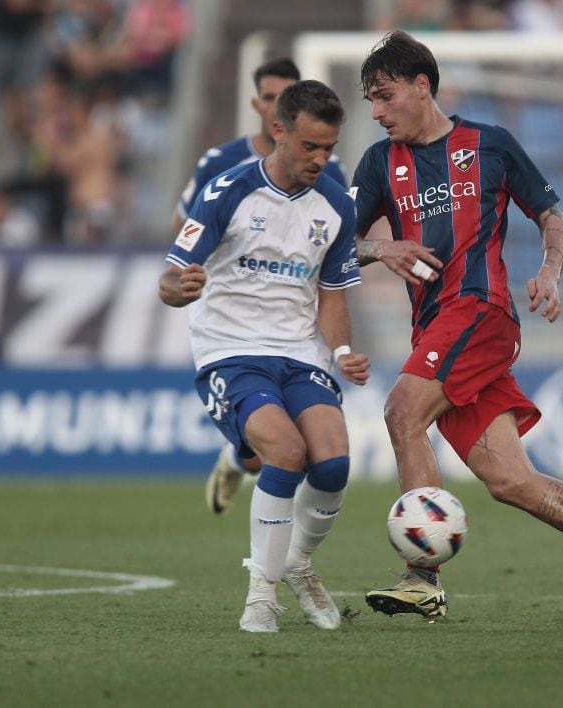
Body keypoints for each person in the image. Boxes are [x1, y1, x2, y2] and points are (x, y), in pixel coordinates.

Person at [351, 30, 563, 630]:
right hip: (435, 327)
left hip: (481, 313)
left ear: (421, 85)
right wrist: (381, 248)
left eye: (384, 96)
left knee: (403, 412)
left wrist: (550, 270)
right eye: (370, 102)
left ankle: (421, 581)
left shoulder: (489, 145)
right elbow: (336, 248)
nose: (377, 112)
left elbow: (551, 216)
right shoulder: (380, 163)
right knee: (513, 481)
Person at [158, 80, 369, 633]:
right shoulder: (227, 188)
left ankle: (298, 565)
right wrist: (177, 288)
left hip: (299, 350)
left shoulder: (335, 206)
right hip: (230, 350)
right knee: (285, 450)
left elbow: (332, 295)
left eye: (328, 148)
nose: (321, 160)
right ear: (279, 130)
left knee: (335, 462)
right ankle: (260, 596)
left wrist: (343, 351)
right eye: (310, 147)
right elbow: (171, 276)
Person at [174, 58, 349, 515]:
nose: (278, 102)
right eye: (270, 96)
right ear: (263, 110)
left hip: (294, 330)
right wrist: (193, 271)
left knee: (309, 452)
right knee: (273, 448)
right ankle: (238, 461)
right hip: (233, 323)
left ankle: (290, 559)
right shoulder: (222, 165)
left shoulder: (329, 173)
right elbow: (185, 229)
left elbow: (336, 243)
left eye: (286, 93)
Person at [173, 58, 347, 235]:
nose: (278, 107)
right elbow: (184, 223)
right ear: (256, 105)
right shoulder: (220, 161)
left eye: (285, 97)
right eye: (269, 98)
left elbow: (343, 235)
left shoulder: (329, 167)